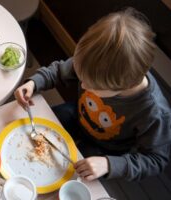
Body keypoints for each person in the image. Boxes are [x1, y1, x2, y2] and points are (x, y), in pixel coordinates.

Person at [14, 8, 171, 181]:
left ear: (123, 86)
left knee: (72, 177)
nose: (82, 85)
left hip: (107, 150)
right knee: (32, 130)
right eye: (81, 77)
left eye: (92, 86)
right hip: (77, 115)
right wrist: (34, 82)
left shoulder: (154, 113)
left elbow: (156, 160)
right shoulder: (95, 64)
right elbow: (60, 71)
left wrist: (109, 164)